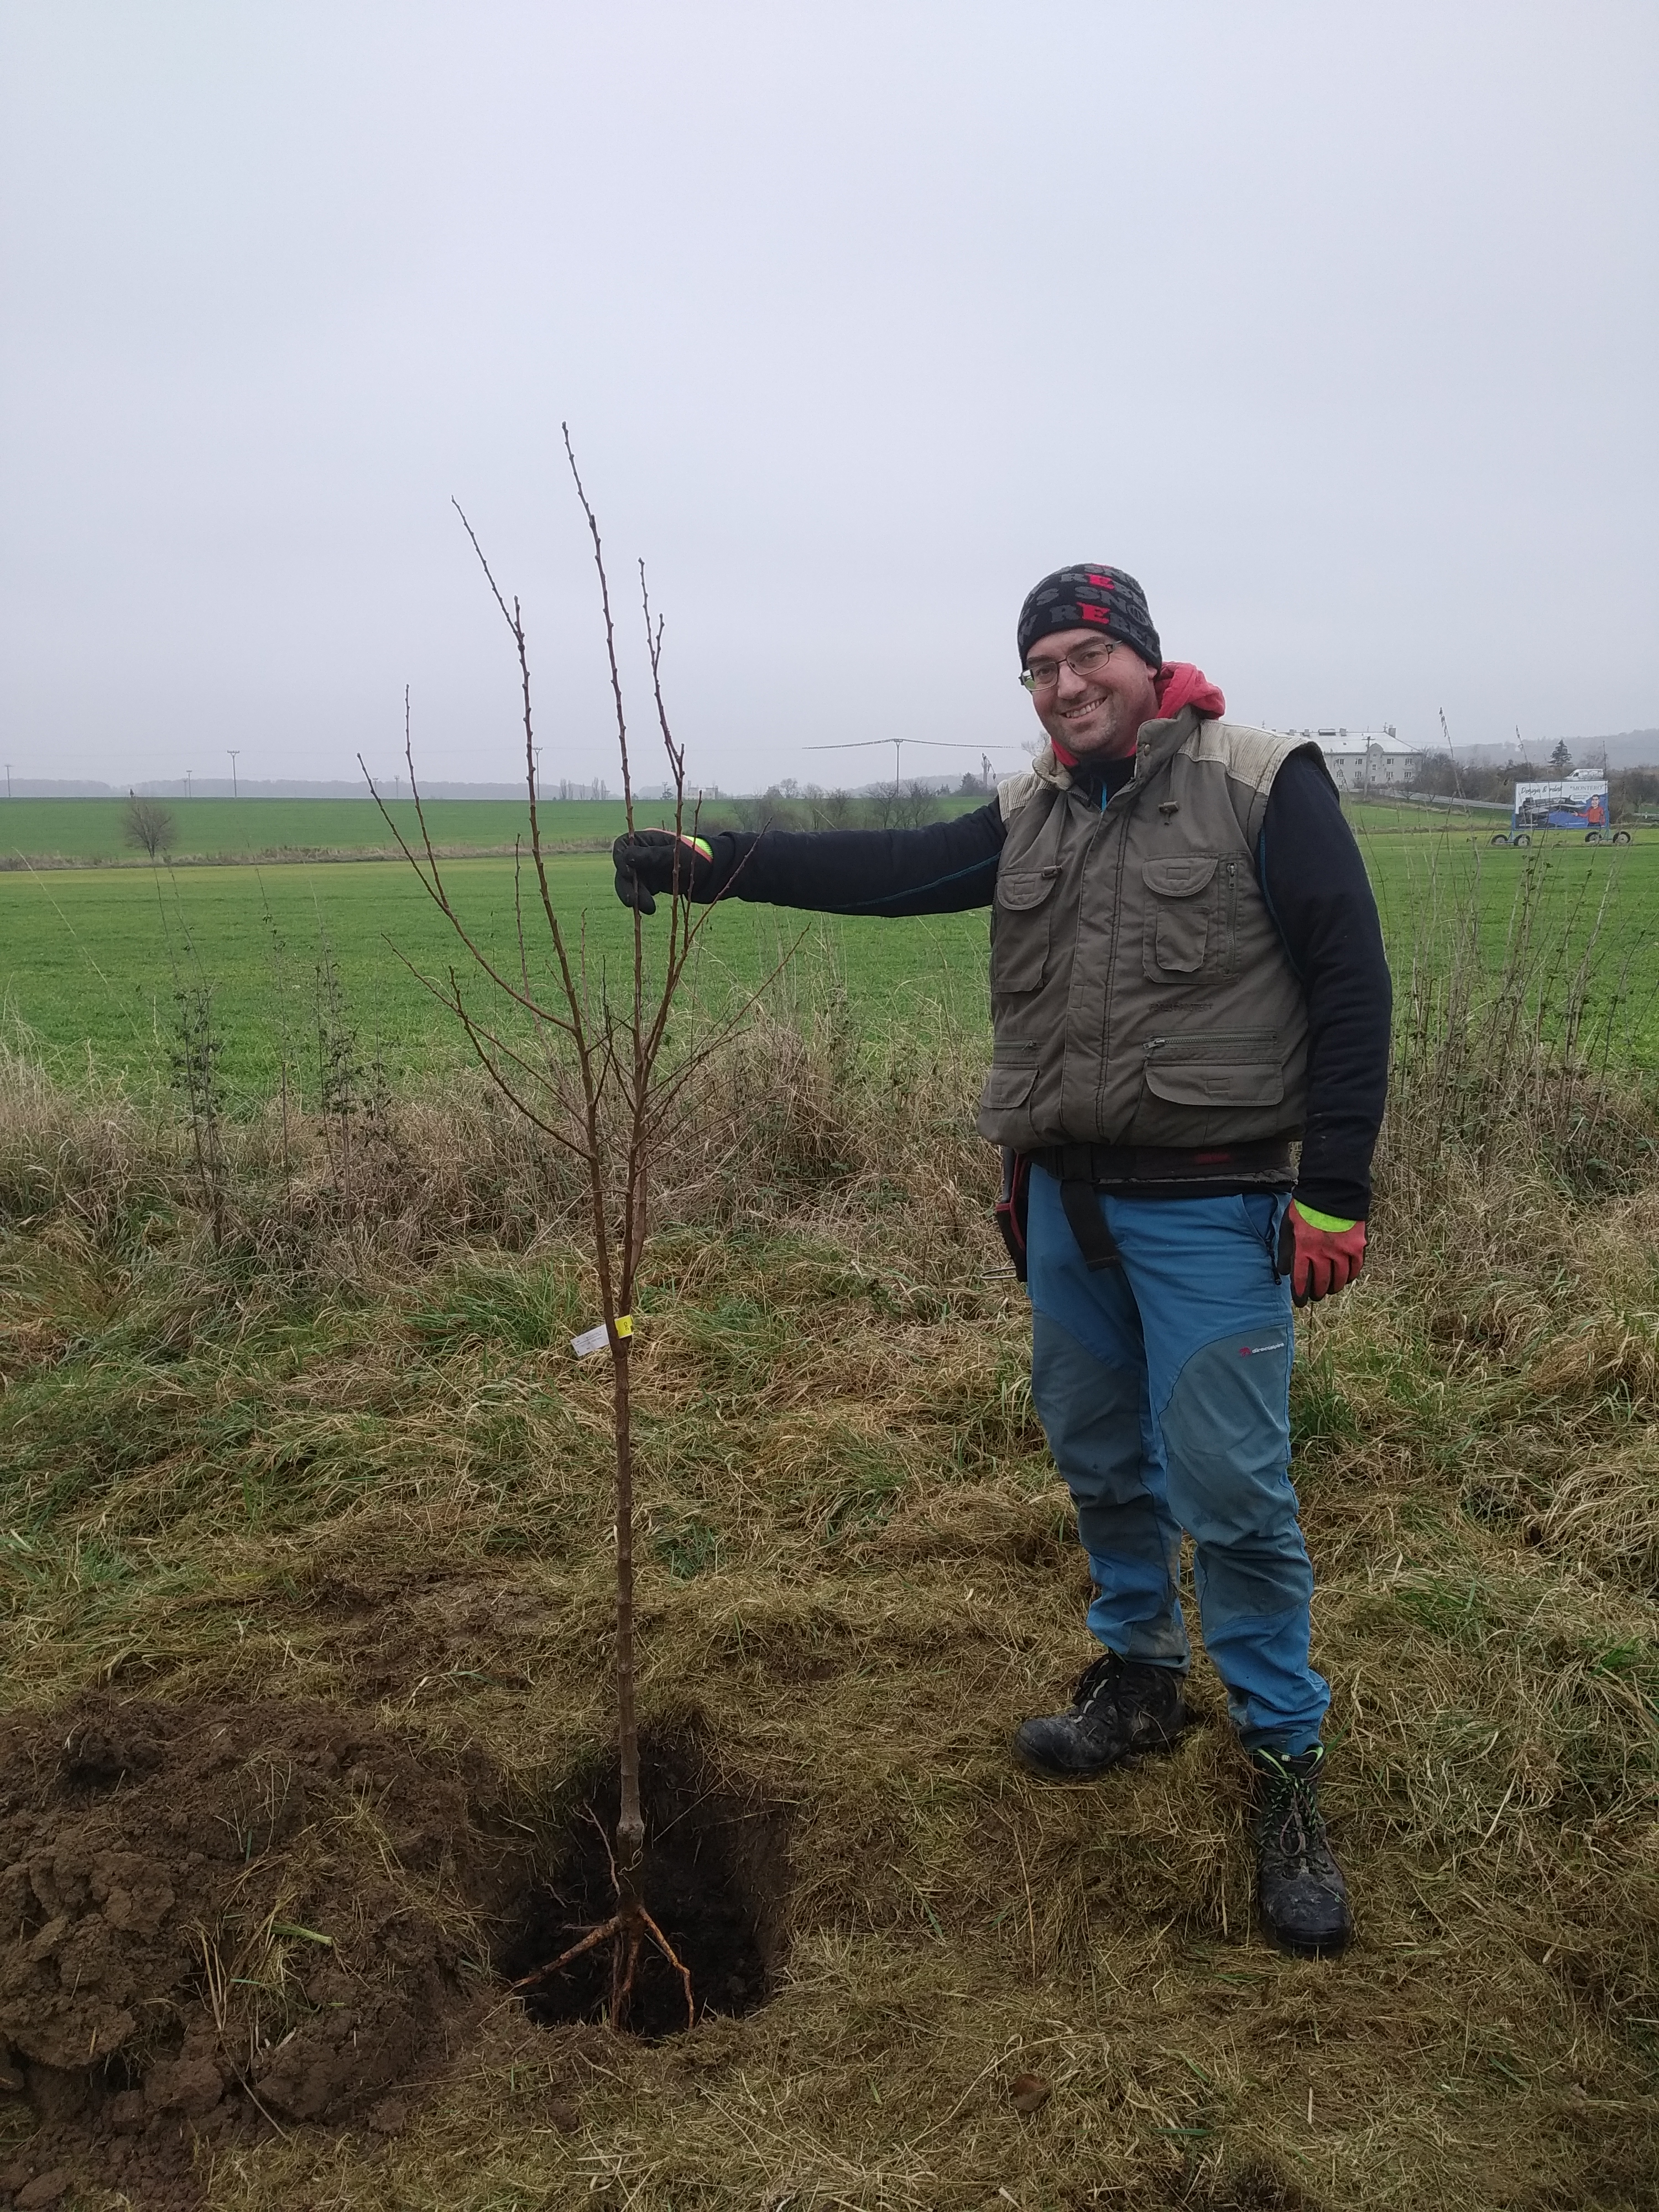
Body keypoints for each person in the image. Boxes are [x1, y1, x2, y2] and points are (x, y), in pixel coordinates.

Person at [611, 565, 1390, 1955]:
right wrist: (713, 861)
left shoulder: (1263, 783)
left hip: (1214, 1205)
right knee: (1099, 1454)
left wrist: (1333, 1191)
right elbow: (896, 867)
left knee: (1233, 1486)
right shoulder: (1031, 811)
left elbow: (1350, 973)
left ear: (1147, 662)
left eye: (1089, 655)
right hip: (1061, 1203)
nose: (1065, 684)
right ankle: (1140, 1675)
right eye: (1040, 666)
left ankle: (1284, 1763)